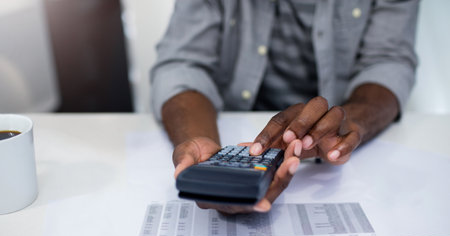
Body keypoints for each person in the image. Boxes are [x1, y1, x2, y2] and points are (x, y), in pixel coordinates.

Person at [150, 0, 419, 214]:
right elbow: (181, 63)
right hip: (229, 124)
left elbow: (389, 62)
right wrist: (201, 143)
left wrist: (351, 121)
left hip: (331, 136)